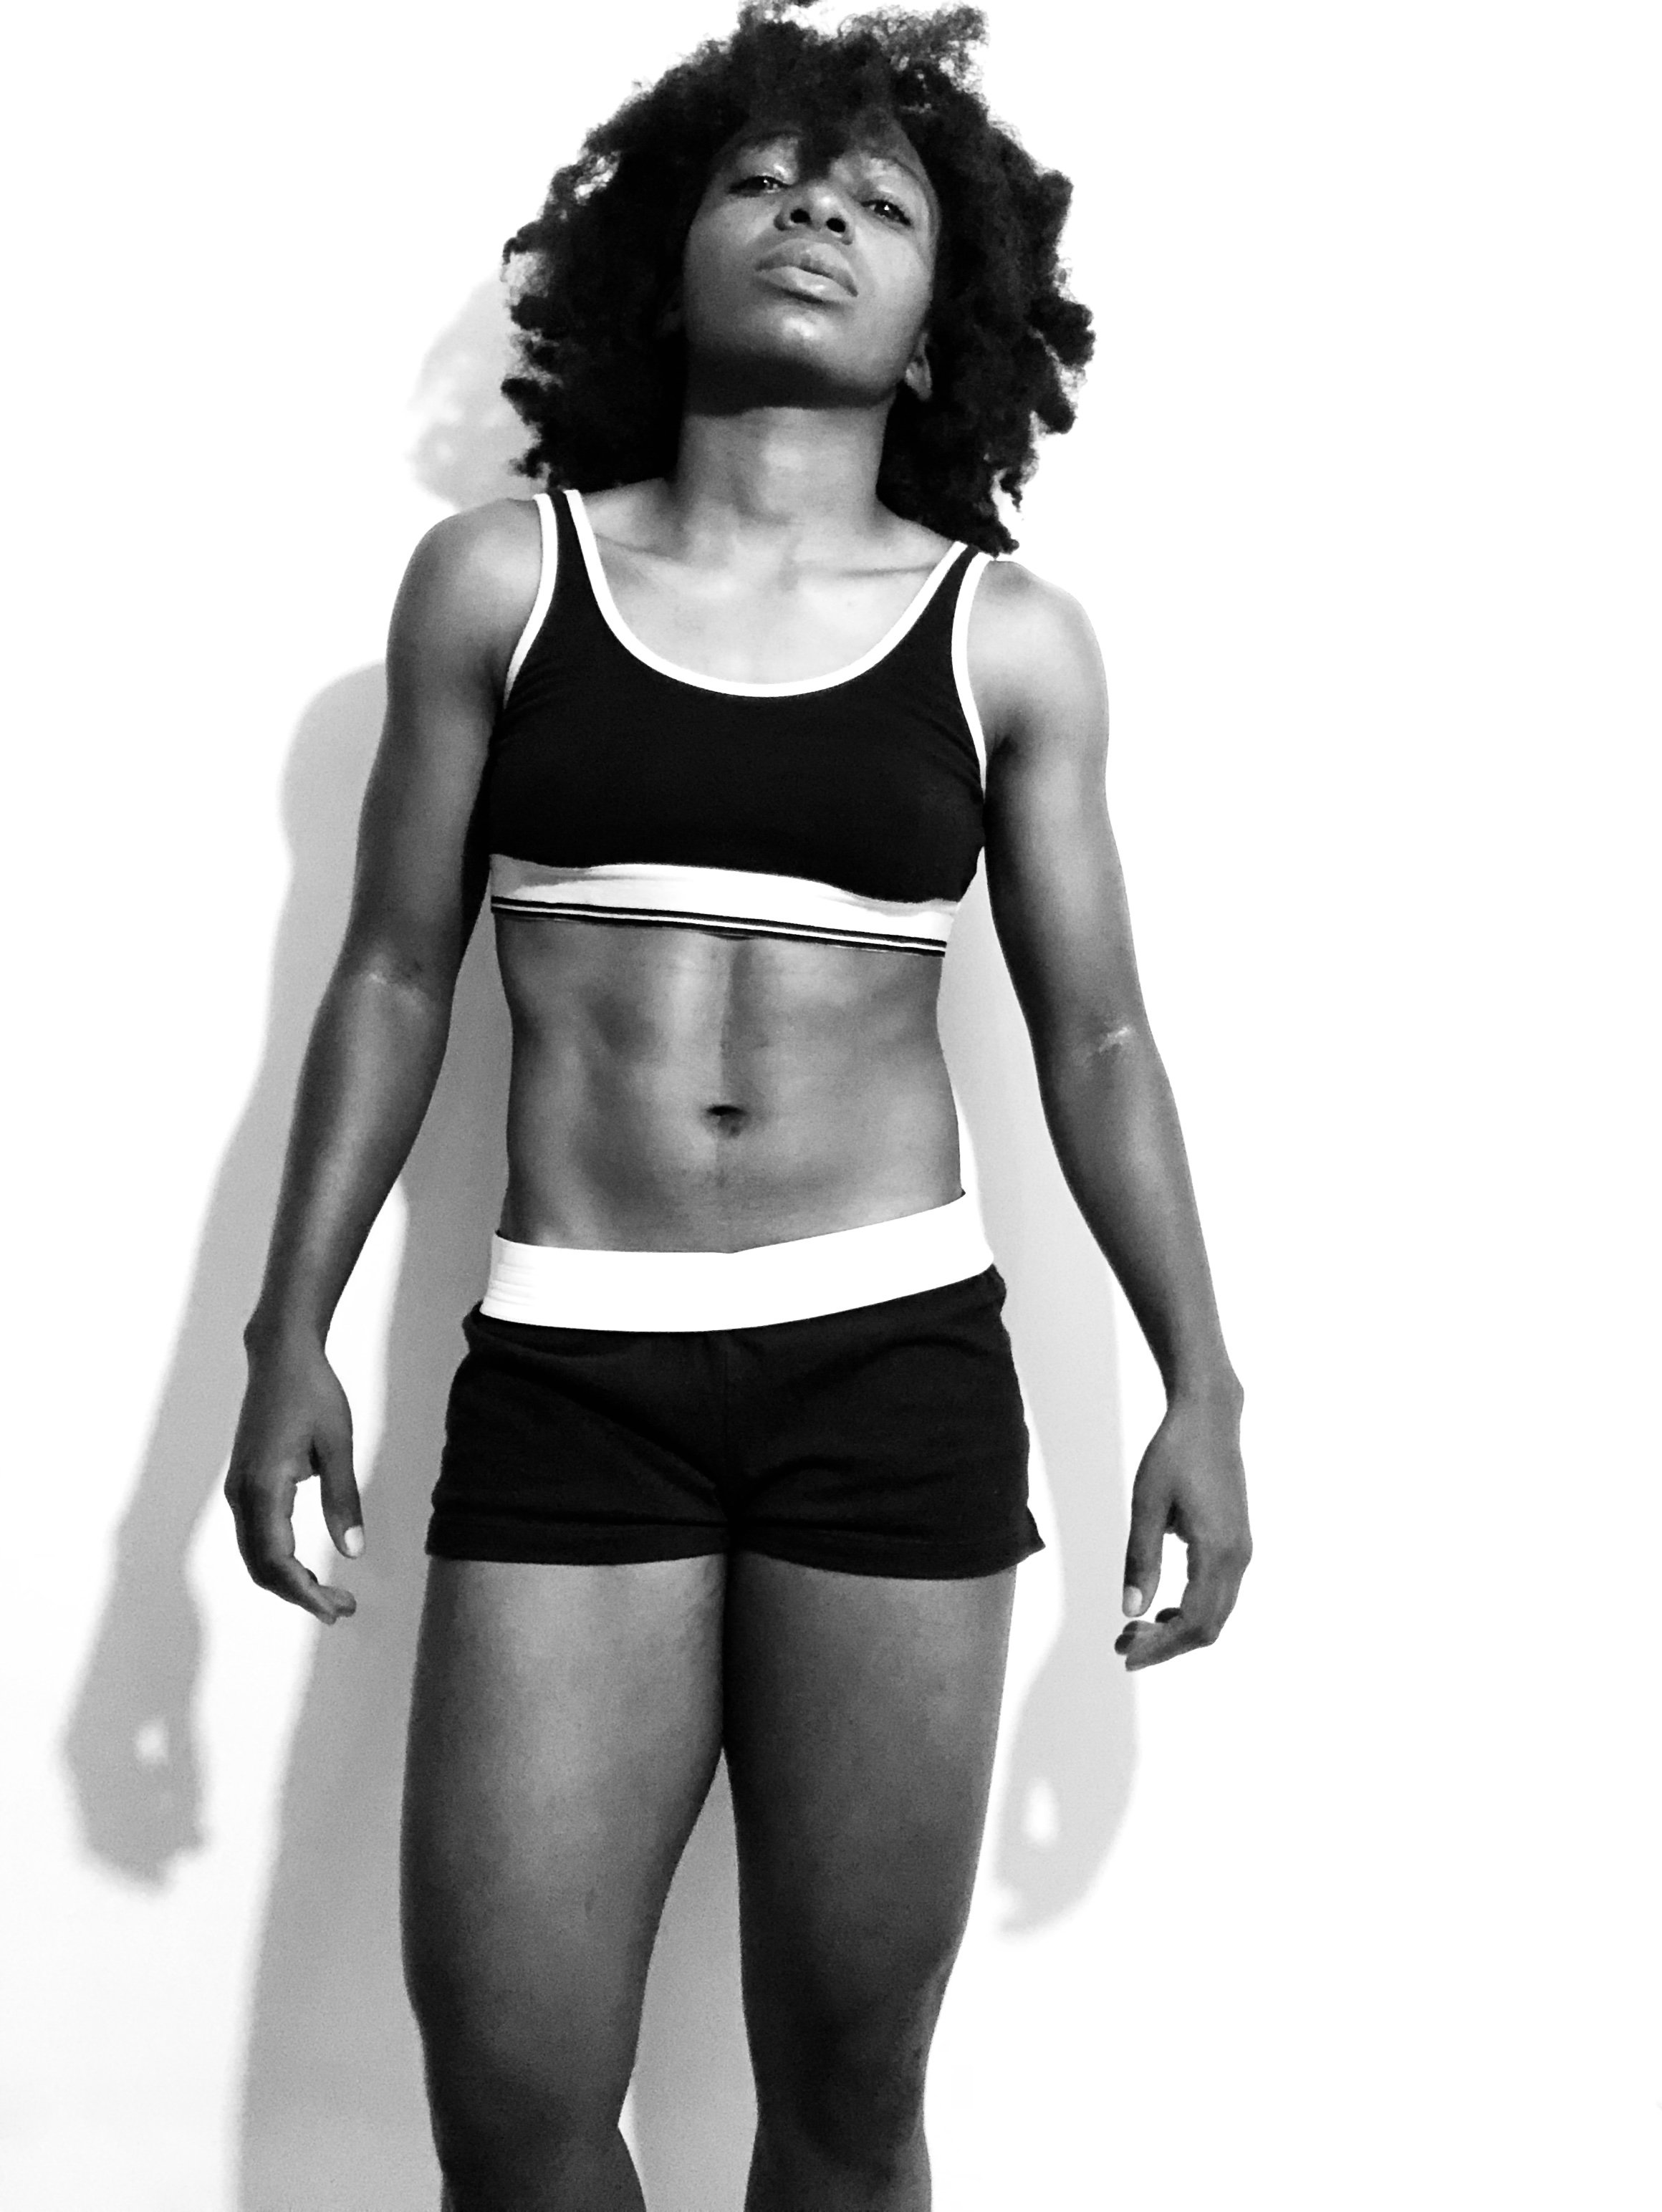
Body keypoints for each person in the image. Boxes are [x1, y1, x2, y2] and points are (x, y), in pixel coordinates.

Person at [224, 4, 1251, 2205]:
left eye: (877, 205)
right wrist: (280, 1329)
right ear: (660, 249)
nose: (814, 215)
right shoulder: (502, 585)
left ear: (940, 325)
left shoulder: (1013, 642)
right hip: (572, 1372)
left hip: (891, 1372)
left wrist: (1203, 1386)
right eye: (767, 180)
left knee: (848, 2111)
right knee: (510, 2115)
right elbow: (393, 971)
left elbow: (1099, 1043)